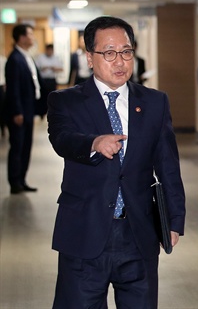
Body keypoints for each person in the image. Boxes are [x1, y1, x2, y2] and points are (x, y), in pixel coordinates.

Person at [47, 16, 186, 308]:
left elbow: (168, 165)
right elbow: (61, 139)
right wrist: (93, 143)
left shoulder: (154, 102)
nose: (119, 61)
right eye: (109, 53)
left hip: (138, 234)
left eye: (126, 52)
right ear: (89, 57)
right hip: (84, 233)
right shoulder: (66, 101)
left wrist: (174, 220)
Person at [4, 24, 43, 194]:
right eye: (29, 34)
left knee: (26, 145)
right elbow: (13, 89)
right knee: (18, 146)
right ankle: (14, 182)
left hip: (29, 108)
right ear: (21, 37)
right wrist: (17, 111)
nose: (32, 37)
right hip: (19, 112)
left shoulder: (27, 56)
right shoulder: (14, 59)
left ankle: (22, 179)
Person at [36, 43, 63, 117]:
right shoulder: (41, 57)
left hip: (52, 79)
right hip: (43, 80)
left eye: (51, 50)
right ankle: (42, 113)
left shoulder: (56, 58)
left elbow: (61, 68)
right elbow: (36, 68)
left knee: (52, 96)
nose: (50, 52)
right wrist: (43, 68)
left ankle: (51, 111)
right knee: (43, 96)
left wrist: (54, 68)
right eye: (48, 50)